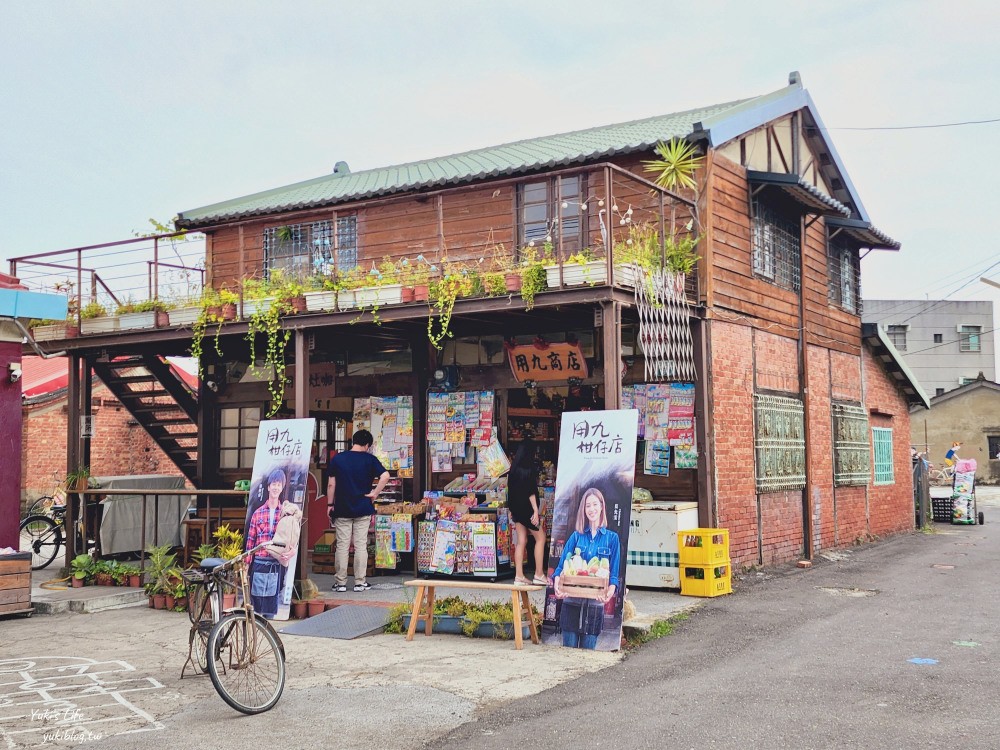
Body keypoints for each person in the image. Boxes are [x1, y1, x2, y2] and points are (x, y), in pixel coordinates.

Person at [552, 488, 621, 649]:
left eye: (595, 504)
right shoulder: (576, 536)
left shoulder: (612, 539)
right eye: (588, 506)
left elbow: (614, 575)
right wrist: (558, 586)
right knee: (568, 655)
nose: (592, 509)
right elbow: (560, 568)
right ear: (584, 509)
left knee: (588, 658)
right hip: (571, 603)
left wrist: (609, 593)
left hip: (594, 606)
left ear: (602, 506)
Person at [327, 429, 390, 593]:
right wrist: (375, 493)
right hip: (363, 506)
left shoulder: (338, 459)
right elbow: (385, 476)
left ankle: (340, 583)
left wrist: (329, 504)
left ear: (353, 441)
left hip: (342, 507)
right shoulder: (370, 459)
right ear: (367, 445)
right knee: (361, 545)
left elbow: (331, 484)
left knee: (342, 546)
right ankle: (360, 582)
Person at [245, 468, 288, 618]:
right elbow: (250, 541)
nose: (276, 487)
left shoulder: (285, 512)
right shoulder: (257, 513)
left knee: (270, 607)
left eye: (279, 484)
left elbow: (291, 539)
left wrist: (291, 552)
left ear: (282, 487)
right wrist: (246, 564)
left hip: (276, 562)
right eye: (273, 484)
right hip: (259, 561)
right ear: (268, 487)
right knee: (256, 606)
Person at [507, 440, 547, 586]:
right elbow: (531, 492)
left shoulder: (513, 470)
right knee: (541, 538)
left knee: (521, 541)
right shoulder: (528, 470)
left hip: (517, 509)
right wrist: (536, 511)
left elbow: (510, 492)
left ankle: (519, 576)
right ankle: (539, 574)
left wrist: (512, 510)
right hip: (527, 510)